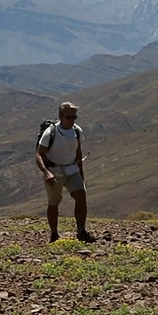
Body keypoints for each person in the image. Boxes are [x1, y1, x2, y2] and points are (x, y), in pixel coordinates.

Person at [35, 101, 95, 243]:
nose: (72, 120)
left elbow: (78, 151)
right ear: (61, 116)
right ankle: (54, 234)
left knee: (81, 197)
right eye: (68, 117)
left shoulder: (77, 131)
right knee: (54, 203)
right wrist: (46, 172)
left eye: (74, 117)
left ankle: (81, 231)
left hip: (72, 170)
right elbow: (39, 154)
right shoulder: (51, 132)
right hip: (54, 172)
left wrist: (81, 172)